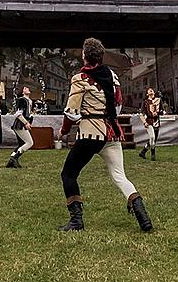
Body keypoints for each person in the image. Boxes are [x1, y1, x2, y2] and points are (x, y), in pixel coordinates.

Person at [57, 38, 152, 232]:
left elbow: (71, 112)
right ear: (101, 56)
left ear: (84, 56)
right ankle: (143, 218)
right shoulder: (113, 76)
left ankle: (76, 221)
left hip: (90, 134)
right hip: (111, 133)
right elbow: (117, 106)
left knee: (68, 174)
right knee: (119, 176)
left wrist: (64, 131)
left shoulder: (80, 79)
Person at [7, 86, 34, 168]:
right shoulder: (22, 100)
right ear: (22, 92)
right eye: (25, 88)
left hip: (23, 124)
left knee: (21, 144)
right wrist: (26, 122)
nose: (27, 88)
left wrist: (29, 122)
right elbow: (18, 114)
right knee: (30, 143)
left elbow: (29, 113)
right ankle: (14, 158)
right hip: (20, 125)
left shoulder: (30, 101)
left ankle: (11, 161)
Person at [139, 87, 163, 162]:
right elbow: (141, 113)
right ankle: (153, 153)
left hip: (156, 121)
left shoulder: (159, 100)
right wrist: (144, 122)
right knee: (152, 137)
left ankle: (143, 151)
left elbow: (162, 111)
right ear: (147, 93)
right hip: (148, 122)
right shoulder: (145, 102)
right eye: (149, 90)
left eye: (151, 89)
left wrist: (158, 113)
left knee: (154, 140)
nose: (150, 90)